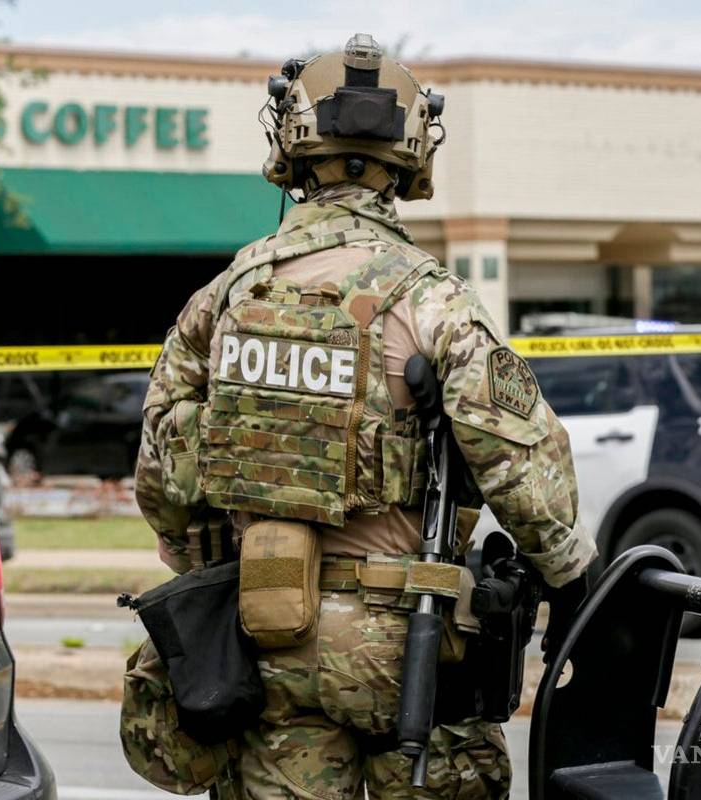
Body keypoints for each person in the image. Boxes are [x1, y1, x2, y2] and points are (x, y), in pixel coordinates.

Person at [133, 33, 596, 800]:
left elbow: (161, 479)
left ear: (292, 145)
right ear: (412, 154)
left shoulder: (222, 299)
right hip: (403, 648)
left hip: (261, 633)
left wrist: (211, 572)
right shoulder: (431, 298)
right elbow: (521, 462)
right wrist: (570, 572)